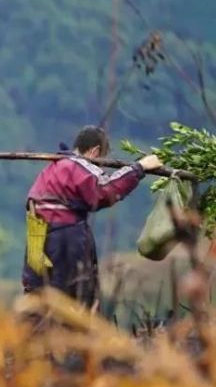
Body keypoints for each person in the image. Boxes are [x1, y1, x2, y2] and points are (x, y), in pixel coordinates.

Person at [22, 125, 162, 309]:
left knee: (39, 296)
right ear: (95, 151)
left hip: (36, 237)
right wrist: (139, 168)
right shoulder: (77, 166)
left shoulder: (53, 167)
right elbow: (105, 189)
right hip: (65, 240)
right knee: (75, 298)